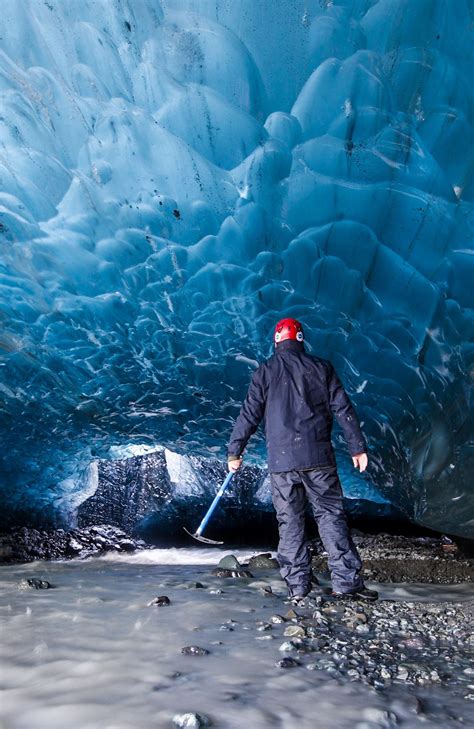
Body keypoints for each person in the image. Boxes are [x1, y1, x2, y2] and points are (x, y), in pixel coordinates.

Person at [227, 317, 378, 602]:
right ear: (301, 339)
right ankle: (346, 584)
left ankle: (298, 588)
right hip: (318, 458)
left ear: (276, 341)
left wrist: (235, 452)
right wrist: (357, 448)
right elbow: (343, 409)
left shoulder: (265, 372)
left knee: (290, 523)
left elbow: (249, 415)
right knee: (331, 517)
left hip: (282, 465)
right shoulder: (322, 368)